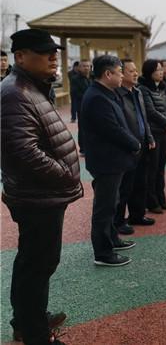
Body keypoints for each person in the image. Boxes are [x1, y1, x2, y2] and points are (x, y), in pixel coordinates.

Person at [1, 28, 83, 345]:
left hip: (38, 195)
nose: (53, 56)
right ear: (20, 57)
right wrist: (65, 174)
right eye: (43, 51)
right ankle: (35, 333)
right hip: (37, 196)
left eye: (54, 51)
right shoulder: (14, 93)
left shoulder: (29, 87)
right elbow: (24, 152)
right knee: (38, 265)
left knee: (32, 262)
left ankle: (27, 319)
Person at [80, 54, 140, 267]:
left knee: (112, 203)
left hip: (113, 160)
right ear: (107, 74)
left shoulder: (106, 93)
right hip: (107, 161)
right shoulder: (97, 97)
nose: (122, 75)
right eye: (119, 72)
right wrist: (134, 143)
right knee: (104, 208)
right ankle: (103, 253)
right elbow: (113, 130)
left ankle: (112, 239)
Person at [115, 59, 156, 235]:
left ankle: (137, 215)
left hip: (143, 143)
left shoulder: (137, 92)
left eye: (136, 70)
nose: (135, 73)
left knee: (141, 182)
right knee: (124, 187)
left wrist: (149, 137)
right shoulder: (117, 95)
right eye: (131, 71)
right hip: (128, 147)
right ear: (121, 74)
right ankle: (118, 221)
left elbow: (143, 118)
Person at [138, 59, 166, 214]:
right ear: (149, 72)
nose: (161, 72)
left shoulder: (161, 88)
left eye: (161, 70)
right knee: (152, 169)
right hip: (153, 133)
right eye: (158, 70)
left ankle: (161, 198)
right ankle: (152, 202)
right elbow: (151, 112)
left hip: (164, 133)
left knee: (161, 168)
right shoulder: (143, 89)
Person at [71, 59, 91, 155]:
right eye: (84, 66)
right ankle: (83, 148)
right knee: (82, 128)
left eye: (88, 66)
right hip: (81, 106)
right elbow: (76, 93)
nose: (86, 68)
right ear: (79, 67)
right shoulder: (75, 79)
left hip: (92, 106)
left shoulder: (92, 77)